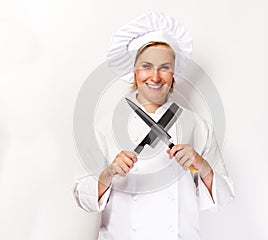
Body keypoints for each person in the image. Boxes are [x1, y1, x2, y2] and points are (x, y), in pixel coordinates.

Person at [73, 12, 235, 240]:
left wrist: (201, 164)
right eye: (147, 66)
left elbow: (225, 196)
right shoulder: (105, 126)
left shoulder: (196, 124)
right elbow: (83, 197)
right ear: (134, 70)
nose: (155, 76)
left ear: (174, 71)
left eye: (164, 67)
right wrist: (109, 173)